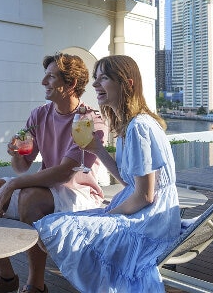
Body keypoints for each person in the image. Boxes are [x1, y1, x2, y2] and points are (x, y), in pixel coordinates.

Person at [33, 55, 181, 293]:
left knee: (53, 228)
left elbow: (145, 196)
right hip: (149, 214)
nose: (95, 85)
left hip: (150, 222)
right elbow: (129, 182)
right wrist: (97, 149)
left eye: (104, 78)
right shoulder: (130, 125)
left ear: (127, 83)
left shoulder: (139, 127)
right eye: (95, 78)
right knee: (50, 227)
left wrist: (108, 215)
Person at [0, 52, 109, 293]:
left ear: (70, 84)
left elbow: (64, 173)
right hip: (45, 188)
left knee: (30, 198)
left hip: (80, 194)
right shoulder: (38, 115)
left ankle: (36, 285)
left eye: (51, 77)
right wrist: (16, 154)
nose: (43, 82)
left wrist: (13, 185)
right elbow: (22, 167)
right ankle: (5, 278)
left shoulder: (90, 120)